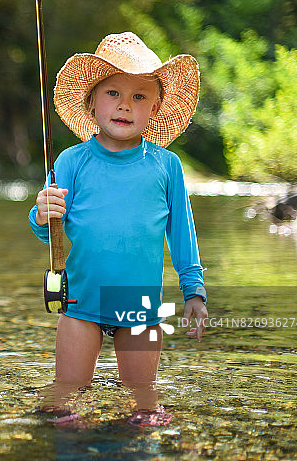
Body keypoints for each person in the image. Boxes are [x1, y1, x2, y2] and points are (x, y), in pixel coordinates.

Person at [29, 32, 208, 427]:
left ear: (155, 109)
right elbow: (46, 231)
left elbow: (182, 233)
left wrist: (193, 290)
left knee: (144, 402)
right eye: (113, 93)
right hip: (81, 303)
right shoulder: (71, 161)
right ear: (92, 102)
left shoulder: (166, 166)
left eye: (139, 97)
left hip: (140, 304)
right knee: (64, 397)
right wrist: (41, 214)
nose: (125, 105)